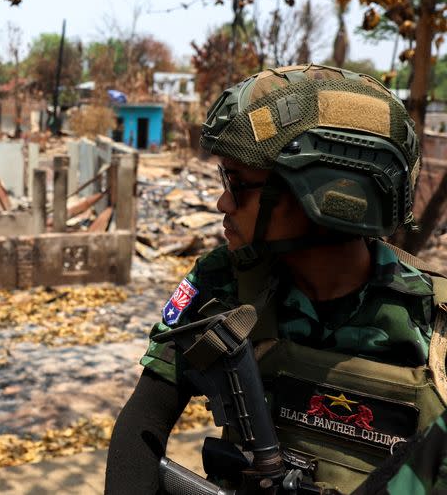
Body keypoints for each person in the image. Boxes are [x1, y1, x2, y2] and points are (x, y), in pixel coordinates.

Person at [105, 64, 447, 494]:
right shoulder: (223, 285)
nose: (221, 201)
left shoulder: (436, 320)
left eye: (239, 182)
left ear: (323, 195)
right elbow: (143, 423)